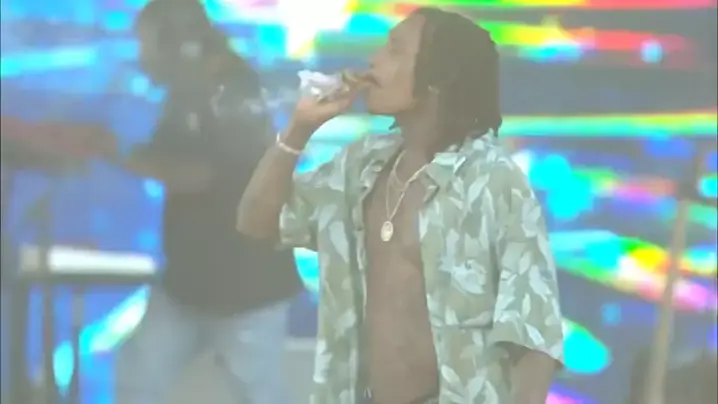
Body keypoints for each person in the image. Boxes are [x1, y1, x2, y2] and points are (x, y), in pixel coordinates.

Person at [237, 6, 564, 404]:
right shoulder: (360, 165)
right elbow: (256, 221)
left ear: (436, 80)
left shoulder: (493, 181)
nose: (374, 60)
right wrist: (299, 129)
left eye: (394, 50)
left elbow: (535, 334)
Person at [115, 0, 302, 403]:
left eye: (147, 45)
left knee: (257, 390)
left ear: (180, 44)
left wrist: (115, 154)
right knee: (140, 374)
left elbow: (197, 175)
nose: (142, 58)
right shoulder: (190, 91)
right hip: (192, 280)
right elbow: (168, 153)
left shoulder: (229, 90)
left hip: (246, 284)